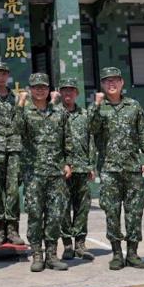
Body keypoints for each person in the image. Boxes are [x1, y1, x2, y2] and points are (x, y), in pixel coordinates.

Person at [89, 66, 144, 271]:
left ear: (122, 82)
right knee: (112, 211)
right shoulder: (99, 109)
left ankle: (133, 253)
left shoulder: (133, 106)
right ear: (102, 85)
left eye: (115, 80)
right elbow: (90, 130)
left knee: (134, 211)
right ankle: (117, 253)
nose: (111, 84)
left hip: (132, 167)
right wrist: (96, 106)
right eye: (107, 81)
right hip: (109, 169)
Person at [19, 73, 72, 273]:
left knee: (55, 214)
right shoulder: (24, 113)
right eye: (36, 87)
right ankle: (37, 254)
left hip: (55, 172)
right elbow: (14, 129)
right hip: (34, 173)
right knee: (34, 214)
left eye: (43, 86)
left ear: (49, 89)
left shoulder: (59, 113)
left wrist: (68, 163)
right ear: (30, 89)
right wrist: (20, 104)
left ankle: (51, 254)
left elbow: (68, 140)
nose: (40, 90)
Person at [0, 62, 25, 246]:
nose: (0, 77)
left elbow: (22, 125)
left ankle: (12, 229)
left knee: (12, 191)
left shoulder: (16, 98)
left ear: (8, 75)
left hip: (14, 149)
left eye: (3, 73)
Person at [58, 78, 95, 262]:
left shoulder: (85, 115)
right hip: (62, 170)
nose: (68, 94)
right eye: (64, 90)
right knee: (63, 208)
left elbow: (91, 141)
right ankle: (67, 245)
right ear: (59, 93)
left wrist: (91, 165)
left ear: (77, 93)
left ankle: (80, 244)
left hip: (82, 168)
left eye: (71, 91)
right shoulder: (55, 114)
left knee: (82, 207)